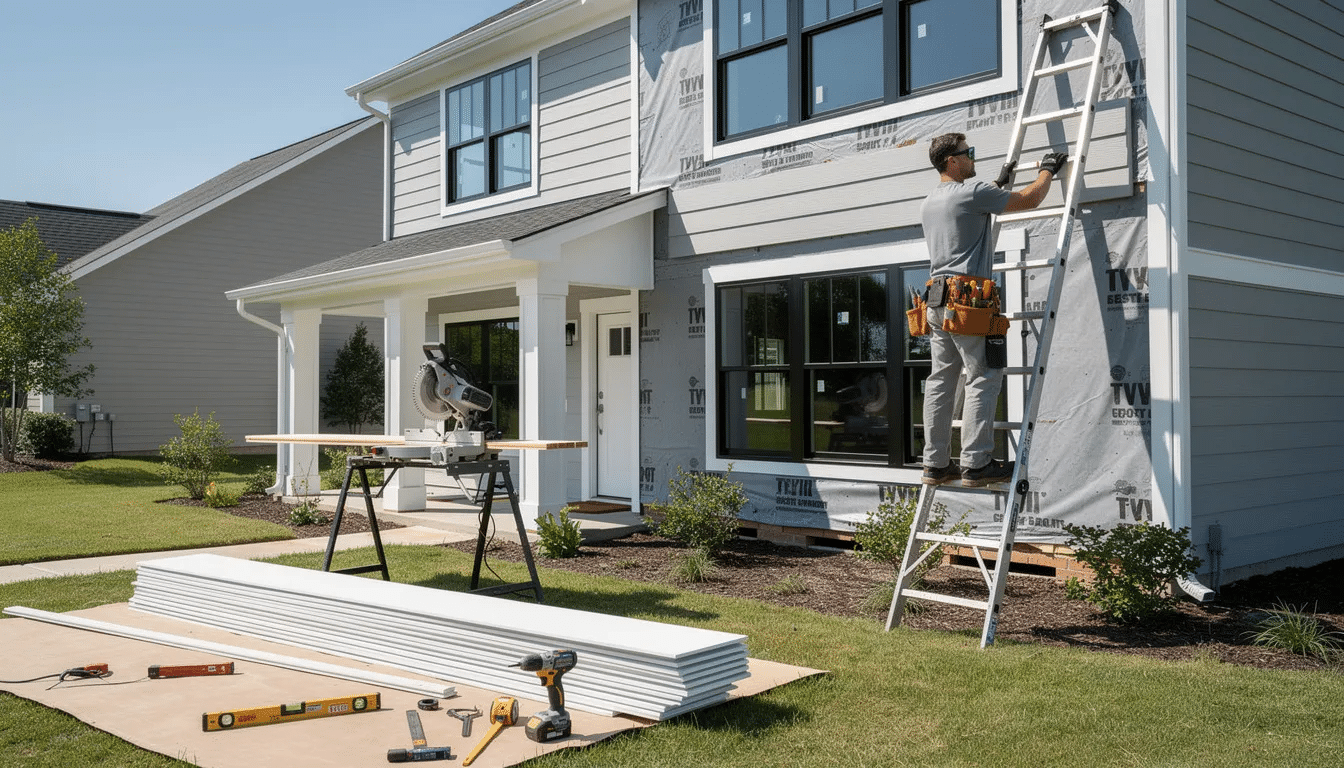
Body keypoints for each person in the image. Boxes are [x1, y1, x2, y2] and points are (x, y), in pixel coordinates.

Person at [920, 133, 1066, 487]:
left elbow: (968, 217)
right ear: (952, 162)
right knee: (984, 375)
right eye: (967, 154)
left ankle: (935, 464)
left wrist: (996, 185)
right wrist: (1047, 171)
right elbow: (1029, 199)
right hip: (968, 302)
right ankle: (975, 464)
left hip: (937, 302)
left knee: (941, 381)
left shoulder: (930, 201)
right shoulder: (972, 193)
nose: (972, 158)